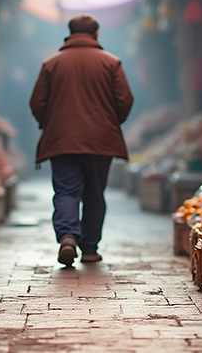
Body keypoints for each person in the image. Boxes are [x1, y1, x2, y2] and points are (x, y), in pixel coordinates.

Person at [29, 15, 134, 267]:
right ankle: (89, 248)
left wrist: (51, 123)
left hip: (62, 140)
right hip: (101, 141)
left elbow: (37, 102)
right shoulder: (111, 63)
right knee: (94, 192)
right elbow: (125, 100)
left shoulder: (51, 64)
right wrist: (110, 122)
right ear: (96, 35)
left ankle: (67, 238)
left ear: (70, 34)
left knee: (66, 190)